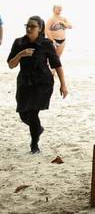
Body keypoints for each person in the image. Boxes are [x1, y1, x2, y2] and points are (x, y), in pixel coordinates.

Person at [7, 16, 67, 153]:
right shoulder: (19, 42)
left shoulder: (46, 44)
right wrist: (21, 54)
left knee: (33, 113)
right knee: (23, 114)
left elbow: (57, 64)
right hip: (24, 82)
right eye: (27, 25)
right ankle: (38, 129)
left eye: (32, 26)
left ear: (40, 28)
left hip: (42, 83)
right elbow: (11, 65)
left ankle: (34, 146)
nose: (29, 28)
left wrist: (63, 84)